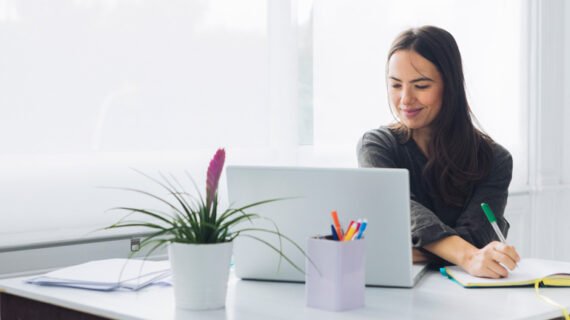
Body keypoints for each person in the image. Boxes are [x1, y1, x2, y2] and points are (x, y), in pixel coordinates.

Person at [357, 26, 520, 279]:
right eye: (396, 85)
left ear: (450, 86)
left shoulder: (495, 159)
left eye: (420, 85)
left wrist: (405, 248)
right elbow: (401, 207)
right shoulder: (377, 146)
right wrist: (466, 255)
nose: (405, 99)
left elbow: (477, 236)